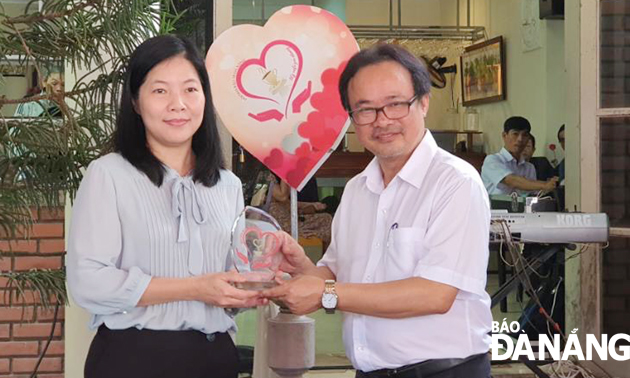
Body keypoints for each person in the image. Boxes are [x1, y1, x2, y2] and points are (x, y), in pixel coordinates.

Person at [263, 43, 492, 378]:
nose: (382, 121)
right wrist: (300, 267)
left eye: (395, 104)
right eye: (365, 110)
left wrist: (326, 294)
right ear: (352, 118)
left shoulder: (455, 183)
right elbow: (338, 277)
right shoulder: (357, 190)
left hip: (444, 371)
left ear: (424, 102)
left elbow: (435, 294)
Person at [66, 35, 264, 378]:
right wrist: (194, 288)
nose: (178, 104)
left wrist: (260, 278)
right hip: (133, 359)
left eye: (190, 89)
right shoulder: (109, 175)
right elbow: (88, 281)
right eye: (160, 91)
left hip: (215, 358)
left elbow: (233, 281)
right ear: (135, 102)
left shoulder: (227, 185)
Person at [481, 116, 558, 196]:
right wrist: (545, 184)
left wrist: (553, 184)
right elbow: (511, 181)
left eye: (525, 135)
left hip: (521, 208)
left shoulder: (529, 167)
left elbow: (532, 194)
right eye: (515, 134)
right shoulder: (492, 160)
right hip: (495, 208)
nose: (520, 139)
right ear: (504, 135)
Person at [267, 174, 332, 250]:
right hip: (279, 221)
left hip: (290, 214)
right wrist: (285, 172)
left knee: (326, 218)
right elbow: (282, 196)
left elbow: (289, 203)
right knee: (326, 220)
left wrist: (313, 205)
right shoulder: (265, 175)